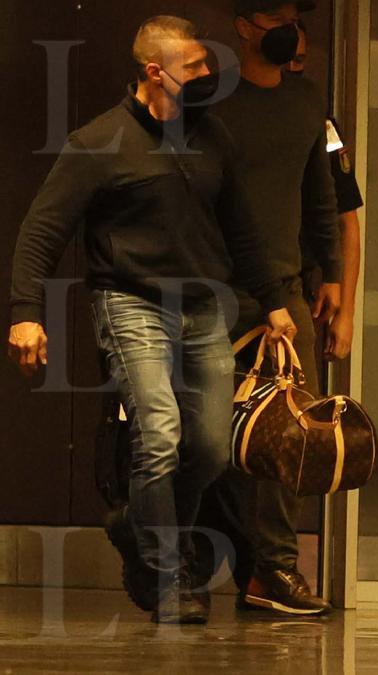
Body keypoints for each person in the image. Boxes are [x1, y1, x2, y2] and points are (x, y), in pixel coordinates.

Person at [7, 15, 295, 624]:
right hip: (131, 304)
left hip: (204, 308)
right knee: (159, 435)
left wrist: (273, 303)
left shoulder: (212, 136)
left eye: (206, 63)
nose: (208, 73)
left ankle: (136, 527)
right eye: (193, 67)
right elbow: (40, 232)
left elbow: (241, 228)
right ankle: (170, 573)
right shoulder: (97, 143)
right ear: (153, 73)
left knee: (213, 449)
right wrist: (25, 314)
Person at [197, 0, 342, 616]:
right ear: (244, 28)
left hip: (284, 293)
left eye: (294, 16)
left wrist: (331, 272)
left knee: (294, 434)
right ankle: (208, 561)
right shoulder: (208, 101)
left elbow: (321, 192)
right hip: (211, 291)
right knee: (207, 438)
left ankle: (275, 570)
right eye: (275, 15)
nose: (288, 27)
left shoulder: (309, 101)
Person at [288, 18, 363, 366]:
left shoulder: (322, 125)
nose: (290, 68)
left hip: (301, 288)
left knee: (297, 406)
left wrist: (346, 314)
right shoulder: (236, 115)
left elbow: (347, 224)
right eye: (283, 57)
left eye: (299, 60)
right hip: (235, 288)